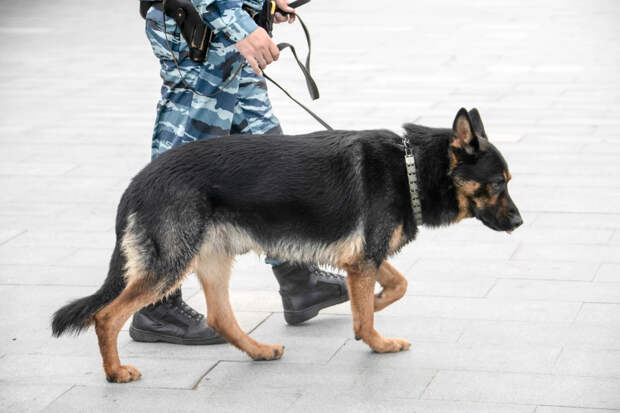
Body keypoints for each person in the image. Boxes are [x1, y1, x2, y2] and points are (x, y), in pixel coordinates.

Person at [130, 0, 349, 345]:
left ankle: (298, 279)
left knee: (268, 155)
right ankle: (156, 303)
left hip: (225, 31)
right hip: (197, 32)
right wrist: (238, 23)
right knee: (183, 168)